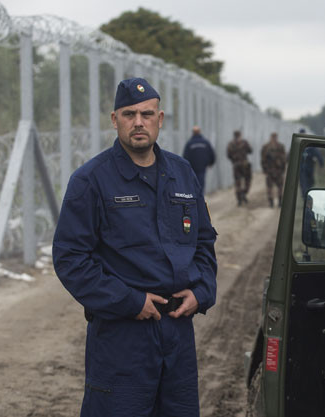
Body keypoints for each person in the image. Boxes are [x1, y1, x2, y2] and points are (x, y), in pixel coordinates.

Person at [52, 77, 217, 417]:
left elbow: (203, 240)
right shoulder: (91, 180)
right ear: (115, 120)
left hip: (177, 332)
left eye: (147, 114)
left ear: (160, 119)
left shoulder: (183, 173)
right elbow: (71, 259)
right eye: (129, 114)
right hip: (122, 337)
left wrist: (202, 290)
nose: (138, 122)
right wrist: (129, 301)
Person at [182, 125, 215, 191]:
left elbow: (185, 155)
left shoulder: (189, 143)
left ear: (193, 132)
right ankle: (200, 197)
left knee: (193, 183)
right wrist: (211, 163)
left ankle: (195, 198)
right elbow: (211, 153)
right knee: (201, 183)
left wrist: (185, 167)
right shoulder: (205, 142)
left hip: (192, 167)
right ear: (200, 132)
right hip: (202, 167)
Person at [226, 130, 253, 205]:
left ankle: (239, 200)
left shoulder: (231, 144)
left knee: (238, 183)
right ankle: (244, 193)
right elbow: (250, 151)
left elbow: (228, 155)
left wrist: (234, 160)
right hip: (245, 164)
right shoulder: (244, 142)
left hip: (236, 165)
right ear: (240, 135)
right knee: (248, 180)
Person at [260, 132, 287, 207]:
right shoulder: (266, 147)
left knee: (280, 187)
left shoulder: (280, 146)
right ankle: (271, 202)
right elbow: (263, 159)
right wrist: (264, 169)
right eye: (273, 137)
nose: (274, 139)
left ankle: (279, 202)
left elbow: (284, 159)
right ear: (271, 137)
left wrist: (283, 169)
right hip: (270, 171)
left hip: (277, 171)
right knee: (270, 187)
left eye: (275, 137)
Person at [298, 130, 324, 197]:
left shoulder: (310, 145)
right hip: (301, 169)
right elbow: (290, 155)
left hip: (309, 168)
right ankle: (305, 197)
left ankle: (308, 195)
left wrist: (321, 163)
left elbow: (318, 154)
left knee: (310, 183)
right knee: (303, 183)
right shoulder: (297, 144)